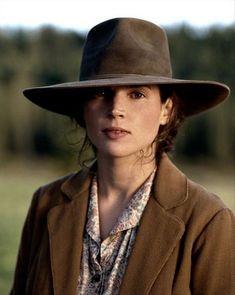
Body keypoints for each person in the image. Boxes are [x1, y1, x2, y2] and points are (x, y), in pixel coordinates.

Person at [10, 17, 235, 295]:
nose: (116, 109)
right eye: (101, 93)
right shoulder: (46, 203)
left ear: (166, 109)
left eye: (137, 94)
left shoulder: (207, 220)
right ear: (83, 108)